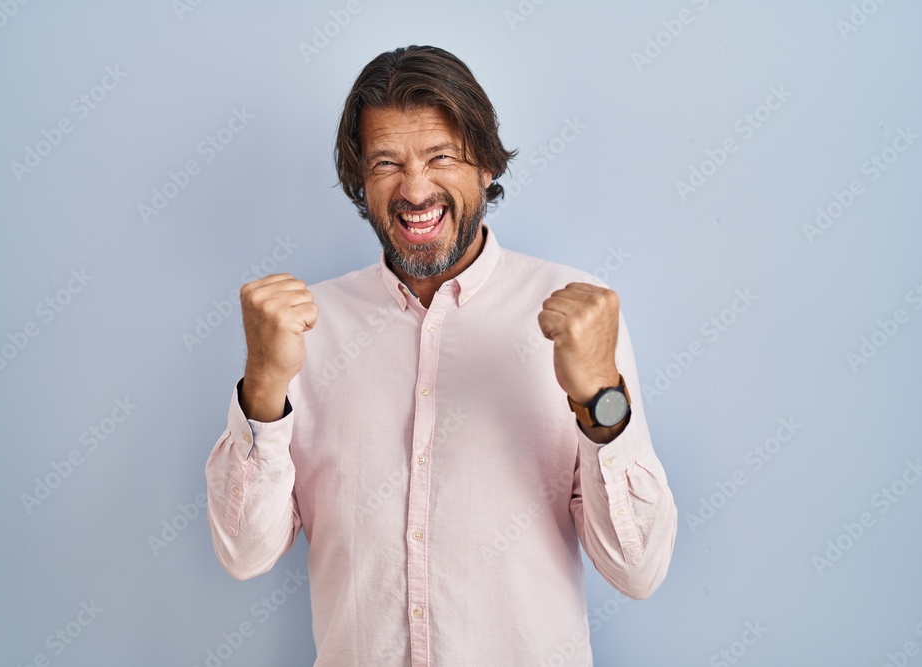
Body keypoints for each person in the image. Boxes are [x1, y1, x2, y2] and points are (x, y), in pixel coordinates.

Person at [205, 44, 677, 666]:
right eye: (385, 163)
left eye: (440, 157)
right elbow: (245, 554)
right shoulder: (302, 330)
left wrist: (600, 398)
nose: (416, 188)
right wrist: (264, 383)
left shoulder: (583, 316)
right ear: (360, 181)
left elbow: (637, 570)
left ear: (485, 165)